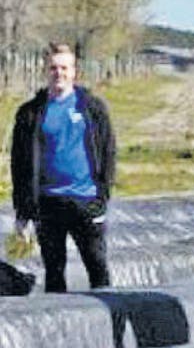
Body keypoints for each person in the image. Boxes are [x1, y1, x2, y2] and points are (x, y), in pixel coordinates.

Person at [9, 43, 116, 292]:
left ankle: (107, 322)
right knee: (54, 271)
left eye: (64, 68)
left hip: (86, 199)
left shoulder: (91, 108)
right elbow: (20, 164)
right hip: (48, 203)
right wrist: (22, 211)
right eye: (54, 68)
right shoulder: (30, 113)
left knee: (98, 267)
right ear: (46, 71)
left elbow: (108, 151)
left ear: (74, 71)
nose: (59, 73)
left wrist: (103, 194)